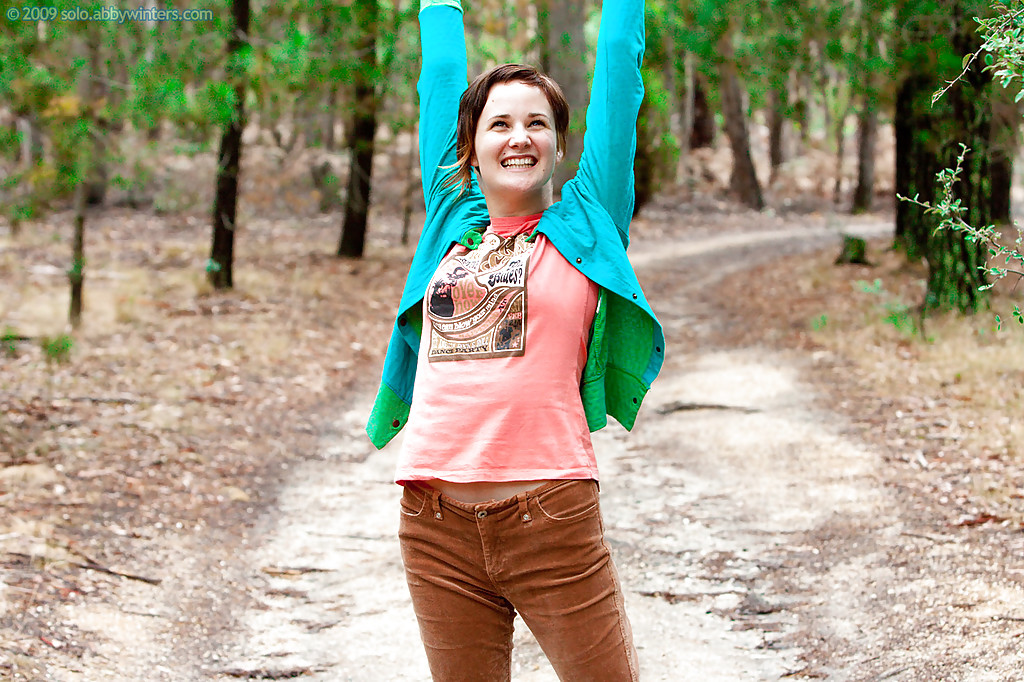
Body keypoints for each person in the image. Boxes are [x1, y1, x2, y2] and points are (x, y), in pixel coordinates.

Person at [366, 0, 664, 678]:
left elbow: (619, 66)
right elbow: (440, 73)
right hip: (433, 525)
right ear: (470, 148)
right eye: (499, 123)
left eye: (537, 123)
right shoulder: (451, 218)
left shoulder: (588, 222)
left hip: (551, 519)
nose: (519, 136)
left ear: (561, 144)